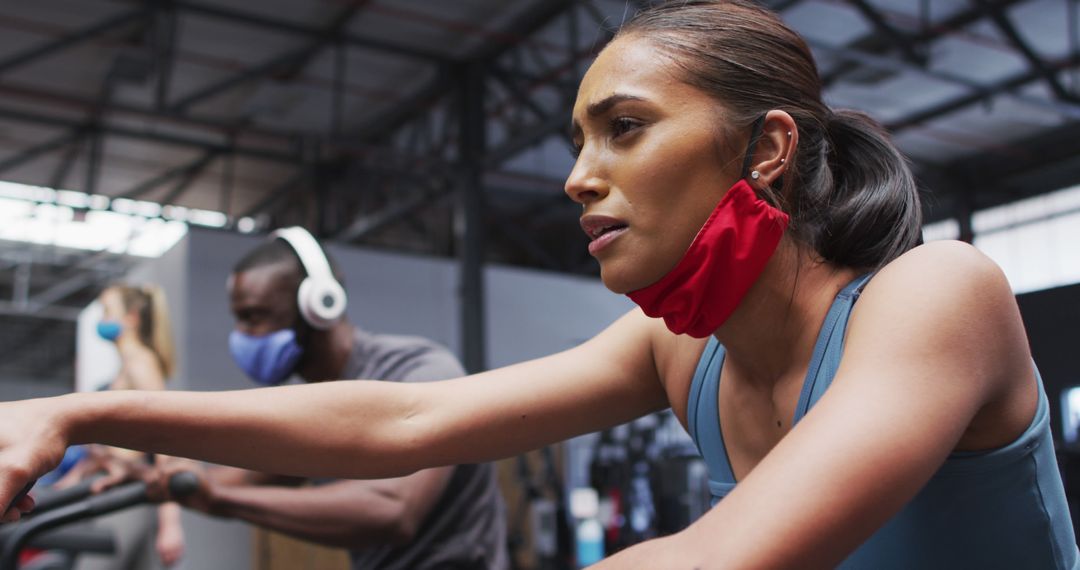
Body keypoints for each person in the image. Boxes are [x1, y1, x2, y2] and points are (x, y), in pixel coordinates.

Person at [2, 1, 1077, 568]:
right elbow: (408, 417)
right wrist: (74, 408)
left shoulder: (938, 292)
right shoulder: (680, 352)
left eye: (624, 128)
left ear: (768, 149)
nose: (575, 176)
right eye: (576, 139)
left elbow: (714, 561)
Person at [164, 227, 506, 569]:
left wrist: (221, 500)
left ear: (320, 305)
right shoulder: (312, 404)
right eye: (238, 320)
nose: (241, 336)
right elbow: (245, 477)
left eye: (254, 316)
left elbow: (392, 510)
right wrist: (157, 476)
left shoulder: (419, 372)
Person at [64, 284, 185, 569]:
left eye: (108, 311)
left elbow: (170, 440)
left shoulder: (141, 364)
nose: (102, 319)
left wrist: (170, 523)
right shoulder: (124, 369)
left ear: (131, 318)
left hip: (128, 494)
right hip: (112, 488)